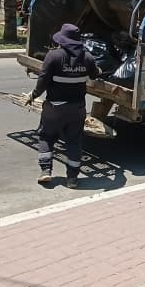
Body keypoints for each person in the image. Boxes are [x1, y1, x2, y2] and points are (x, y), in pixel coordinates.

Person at [26, 23, 100, 188]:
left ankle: (46, 171)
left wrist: (33, 95)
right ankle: (72, 179)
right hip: (77, 109)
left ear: (61, 41)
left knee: (46, 137)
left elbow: (43, 80)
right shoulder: (87, 58)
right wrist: (98, 71)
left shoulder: (53, 56)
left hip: (54, 108)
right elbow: (95, 75)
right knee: (74, 141)